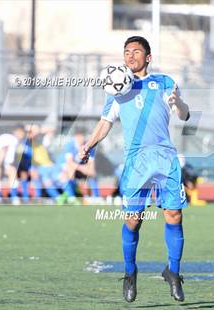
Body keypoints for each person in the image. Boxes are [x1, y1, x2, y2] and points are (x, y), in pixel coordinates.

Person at [79, 36, 190, 303]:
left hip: (164, 159)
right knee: (133, 220)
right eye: (126, 51)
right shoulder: (117, 88)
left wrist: (178, 102)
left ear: (148, 57)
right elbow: (105, 122)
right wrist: (88, 145)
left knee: (174, 215)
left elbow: (184, 115)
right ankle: (130, 273)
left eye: (136, 51)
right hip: (136, 163)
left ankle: (173, 272)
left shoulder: (164, 82)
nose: (130, 56)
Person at [56, 127, 98, 205]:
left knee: (92, 174)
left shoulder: (89, 146)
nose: (81, 138)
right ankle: (71, 197)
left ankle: (96, 197)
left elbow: (92, 168)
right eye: (79, 136)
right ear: (76, 136)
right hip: (63, 167)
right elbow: (69, 163)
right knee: (70, 172)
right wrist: (82, 168)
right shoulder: (70, 145)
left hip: (78, 168)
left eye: (82, 136)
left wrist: (88, 170)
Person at [0, 125, 25, 205]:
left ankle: (12, 197)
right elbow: (3, 150)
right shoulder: (11, 139)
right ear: (18, 131)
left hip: (2, 160)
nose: (23, 135)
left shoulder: (14, 140)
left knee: (12, 172)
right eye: (22, 132)